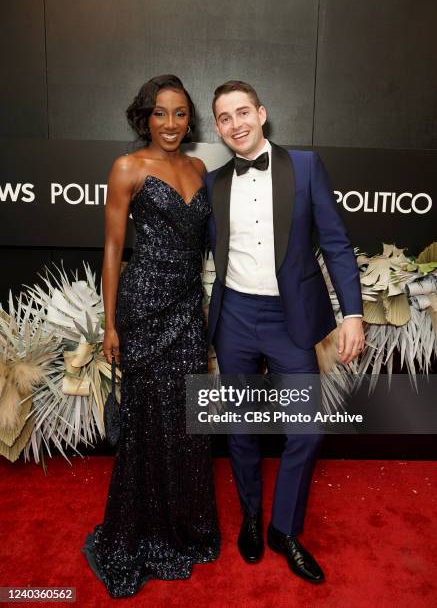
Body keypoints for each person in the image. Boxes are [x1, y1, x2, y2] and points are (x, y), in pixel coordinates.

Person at [205, 80, 364, 584]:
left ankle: (285, 530)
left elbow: (336, 245)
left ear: (262, 113)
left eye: (243, 112)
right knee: (240, 427)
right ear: (218, 127)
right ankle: (251, 515)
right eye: (225, 118)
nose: (236, 124)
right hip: (234, 319)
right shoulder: (213, 183)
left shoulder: (307, 166)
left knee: (306, 430)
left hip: (292, 320)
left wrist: (353, 314)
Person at [82, 75, 220, 598]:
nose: (170, 124)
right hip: (143, 307)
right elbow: (113, 249)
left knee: (186, 421)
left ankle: (182, 526)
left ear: (190, 119)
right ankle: (139, 532)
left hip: (188, 308)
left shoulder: (199, 168)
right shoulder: (127, 168)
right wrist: (110, 323)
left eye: (180, 114)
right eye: (160, 114)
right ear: (146, 118)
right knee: (146, 422)